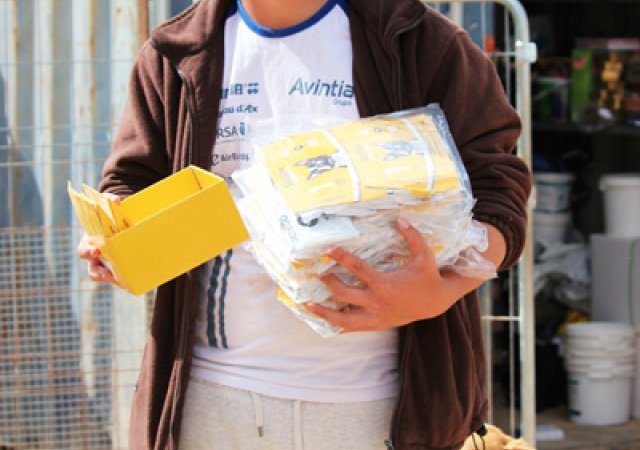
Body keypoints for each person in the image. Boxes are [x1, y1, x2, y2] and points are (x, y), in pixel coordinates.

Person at [77, 0, 531, 449]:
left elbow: (499, 192)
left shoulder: (418, 39)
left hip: (376, 406)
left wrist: (443, 290)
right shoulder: (176, 50)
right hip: (210, 400)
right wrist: (114, 236)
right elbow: (131, 180)